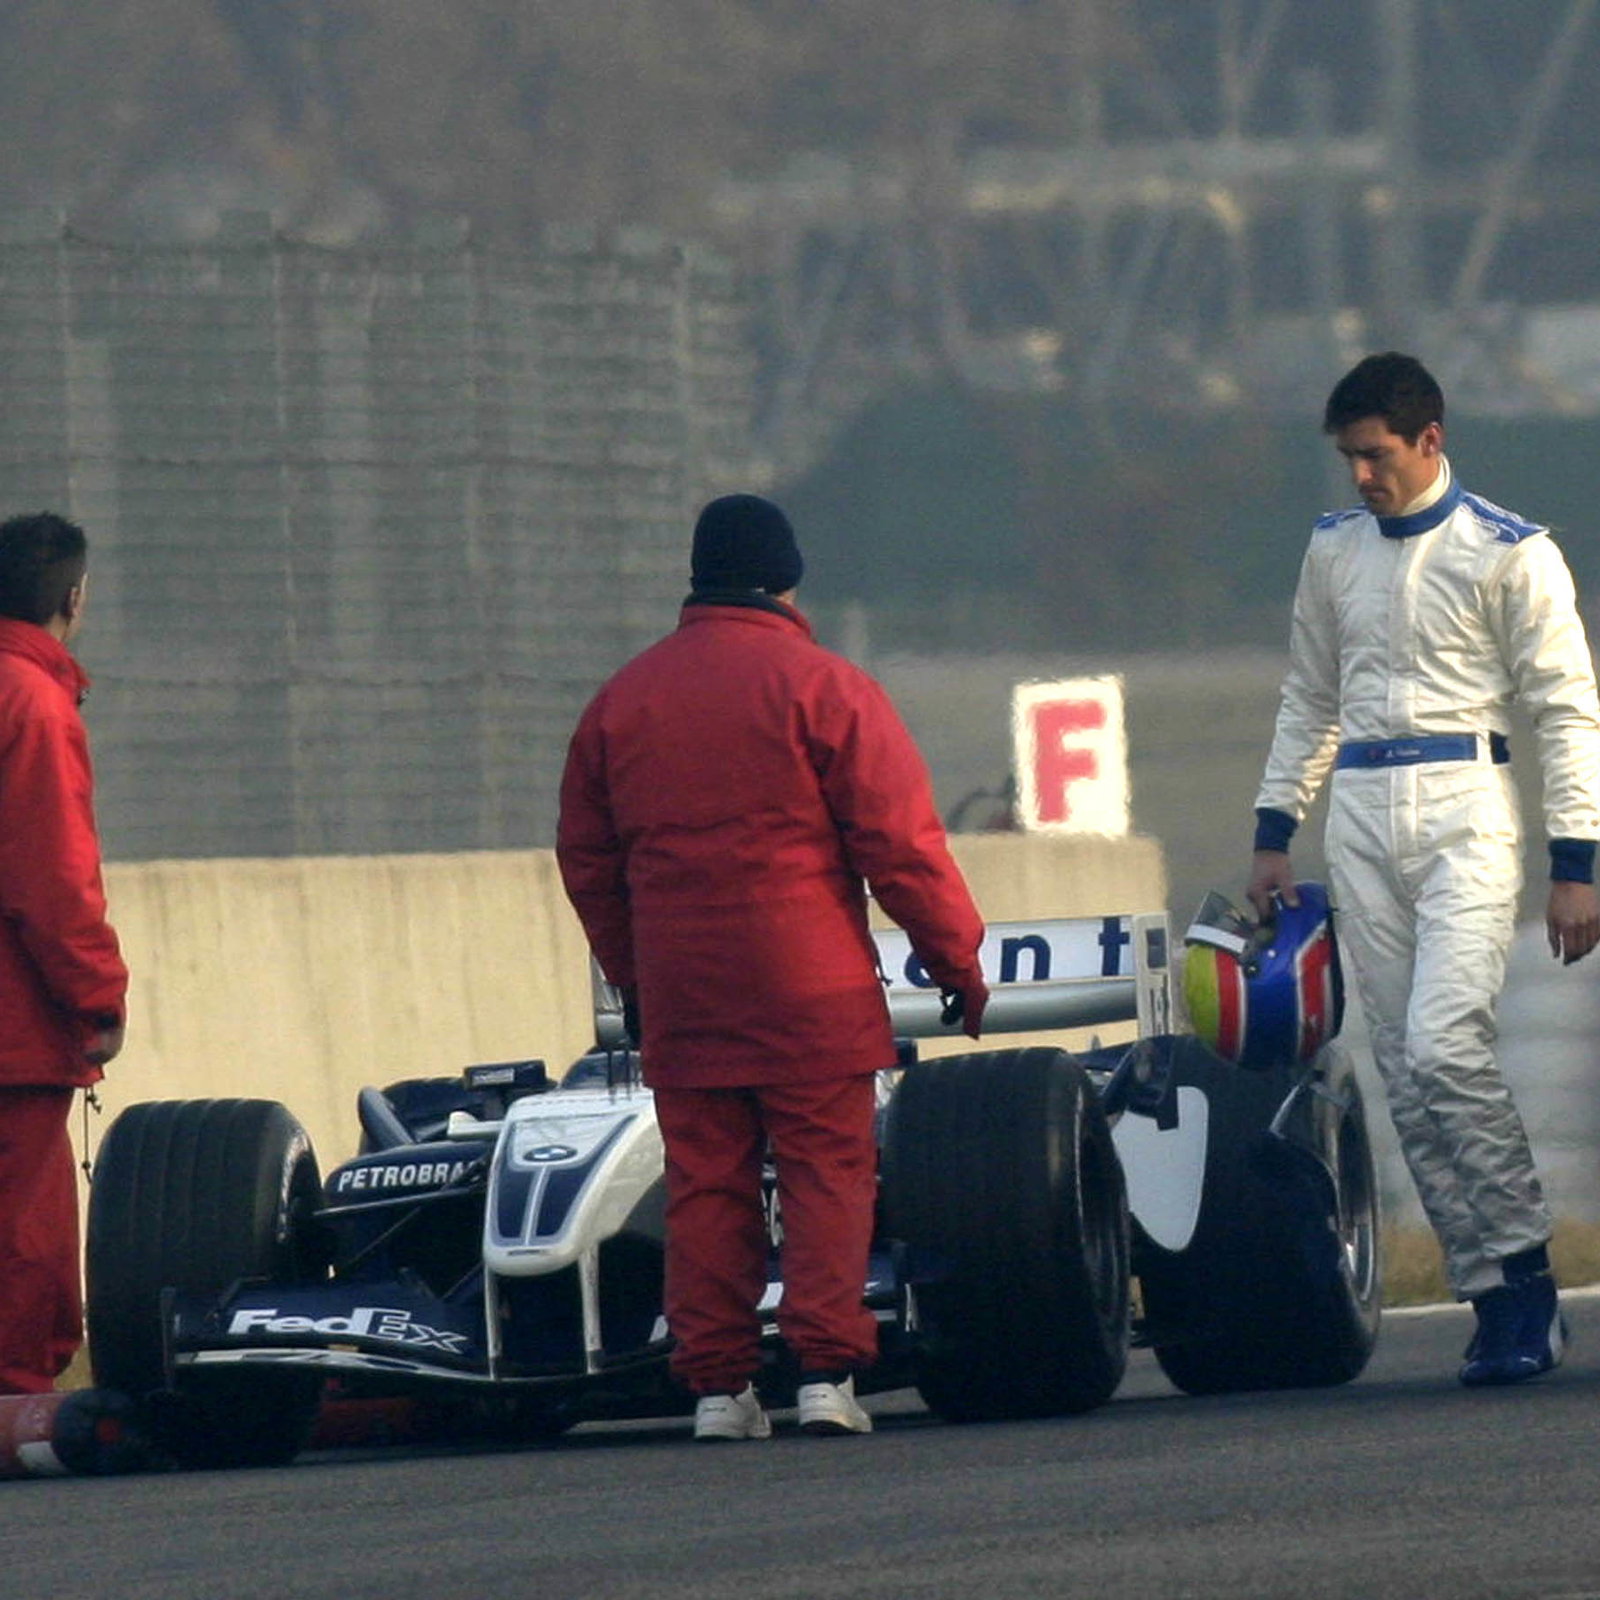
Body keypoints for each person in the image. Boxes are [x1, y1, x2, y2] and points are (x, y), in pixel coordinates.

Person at [557, 493, 989, 1440]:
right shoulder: (827, 688)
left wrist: (632, 970)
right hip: (810, 984)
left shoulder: (620, 702)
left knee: (706, 1183)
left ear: (698, 579)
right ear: (787, 581)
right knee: (826, 1171)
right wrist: (952, 956)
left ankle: (717, 1390)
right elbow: (900, 843)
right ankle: (826, 1378)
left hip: (685, 993)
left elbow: (586, 859)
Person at [1247, 352, 1600, 1387]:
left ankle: (1528, 1278)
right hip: (1358, 811)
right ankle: (1487, 1293)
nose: (1359, 475)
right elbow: (1308, 695)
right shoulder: (1332, 553)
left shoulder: (1510, 552)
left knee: (1448, 1045)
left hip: (1465, 810)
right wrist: (1274, 831)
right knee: (1402, 1073)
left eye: (1373, 455)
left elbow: (1568, 710)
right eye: (1348, 458)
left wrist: (1574, 861)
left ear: (1428, 440)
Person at [0, 511, 128, 1395]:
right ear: (71, 598)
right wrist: (98, 999)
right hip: (12, 1028)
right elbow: (52, 877)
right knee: (22, 1228)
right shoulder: (32, 700)